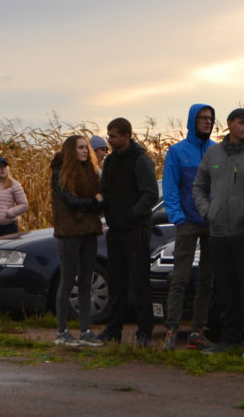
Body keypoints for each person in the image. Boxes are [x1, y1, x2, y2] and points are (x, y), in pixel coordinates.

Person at [192, 108, 244, 356]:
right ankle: (229, 340)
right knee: (226, 289)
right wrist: (207, 210)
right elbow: (198, 185)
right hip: (218, 232)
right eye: (242, 123)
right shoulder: (214, 152)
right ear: (230, 124)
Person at [96, 118, 159, 347]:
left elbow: (150, 193)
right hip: (115, 230)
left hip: (136, 231)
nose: (109, 140)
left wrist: (133, 214)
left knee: (139, 283)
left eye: (113, 136)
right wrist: (99, 203)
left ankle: (144, 332)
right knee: (117, 283)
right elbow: (104, 189)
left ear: (125, 135)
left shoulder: (140, 160)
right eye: (109, 136)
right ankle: (113, 330)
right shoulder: (111, 161)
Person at [161, 104, 215, 351]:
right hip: (188, 223)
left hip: (212, 223)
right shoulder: (177, 151)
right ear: (192, 121)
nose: (207, 122)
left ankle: (197, 332)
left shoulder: (216, 151)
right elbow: (170, 187)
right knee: (180, 278)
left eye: (210, 119)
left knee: (207, 279)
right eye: (202, 118)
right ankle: (171, 330)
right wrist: (178, 216)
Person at [50, 135, 105, 347]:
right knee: (67, 280)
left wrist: (93, 203)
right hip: (69, 232)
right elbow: (71, 201)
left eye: (86, 147)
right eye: (80, 147)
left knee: (86, 281)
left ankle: (86, 331)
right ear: (71, 151)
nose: (85, 150)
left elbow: (103, 198)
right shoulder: (60, 173)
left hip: (89, 230)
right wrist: (93, 202)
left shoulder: (92, 172)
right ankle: (62, 331)